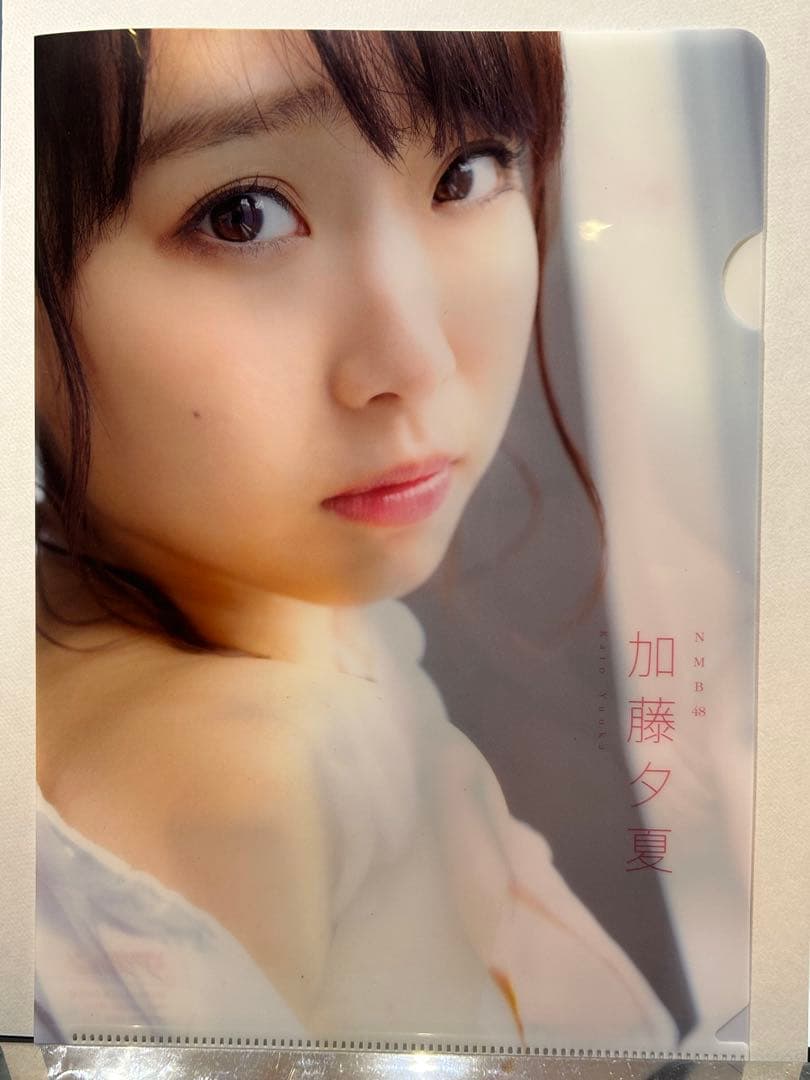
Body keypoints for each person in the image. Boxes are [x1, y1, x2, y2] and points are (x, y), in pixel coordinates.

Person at [35, 28, 677, 1048]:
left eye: (468, 172)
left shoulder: (257, 634)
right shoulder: (249, 781)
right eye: (243, 215)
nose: (414, 358)